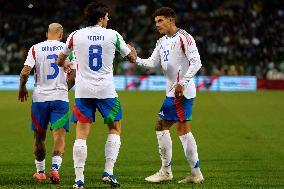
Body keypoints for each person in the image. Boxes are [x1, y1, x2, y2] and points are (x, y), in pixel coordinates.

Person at [56, 2, 137, 188]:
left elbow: (61, 60)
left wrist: (68, 65)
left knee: (81, 134)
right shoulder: (113, 35)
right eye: (107, 16)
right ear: (101, 18)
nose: (108, 19)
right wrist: (132, 49)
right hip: (106, 91)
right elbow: (132, 58)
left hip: (83, 91)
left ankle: (79, 179)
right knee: (115, 129)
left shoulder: (75, 35)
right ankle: (108, 172)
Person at [134, 7, 204, 184]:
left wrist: (183, 82)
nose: (157, 24)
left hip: (180, 92)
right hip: (173, 90)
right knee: (183, 130)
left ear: (171, 20)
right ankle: (195, 173)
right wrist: (134, 58)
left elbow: (197, 63)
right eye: (156, 21)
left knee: (161, 126)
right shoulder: (161, 41)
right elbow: (151, 63)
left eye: (160, 21)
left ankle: (166, 171)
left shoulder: (185, 38)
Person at [18, 23, 75, 184]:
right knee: (59, 135)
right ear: (61, 34)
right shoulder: (67, 48)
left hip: (39, 100)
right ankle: (55, 170)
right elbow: (74, 75)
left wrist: (22, 88)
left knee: (39, 137)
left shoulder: (36, 48)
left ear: (46, 34)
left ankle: (40, 172)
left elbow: (24, 72)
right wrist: (64, 88)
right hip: (60, 100)